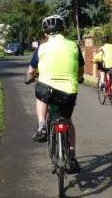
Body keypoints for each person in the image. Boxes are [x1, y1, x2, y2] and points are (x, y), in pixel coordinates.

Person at [27, 15, 84, 174]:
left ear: (45, 33)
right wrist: (80, 78)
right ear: (63, 30)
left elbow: (31, 71)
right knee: (68, 121)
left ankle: (41, 126)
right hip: (68, 91)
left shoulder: (41, 48)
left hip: (48, 90)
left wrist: (30, 78)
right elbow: (80, 69)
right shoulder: (73, 45)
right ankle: (71, 156)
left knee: (40, 95)